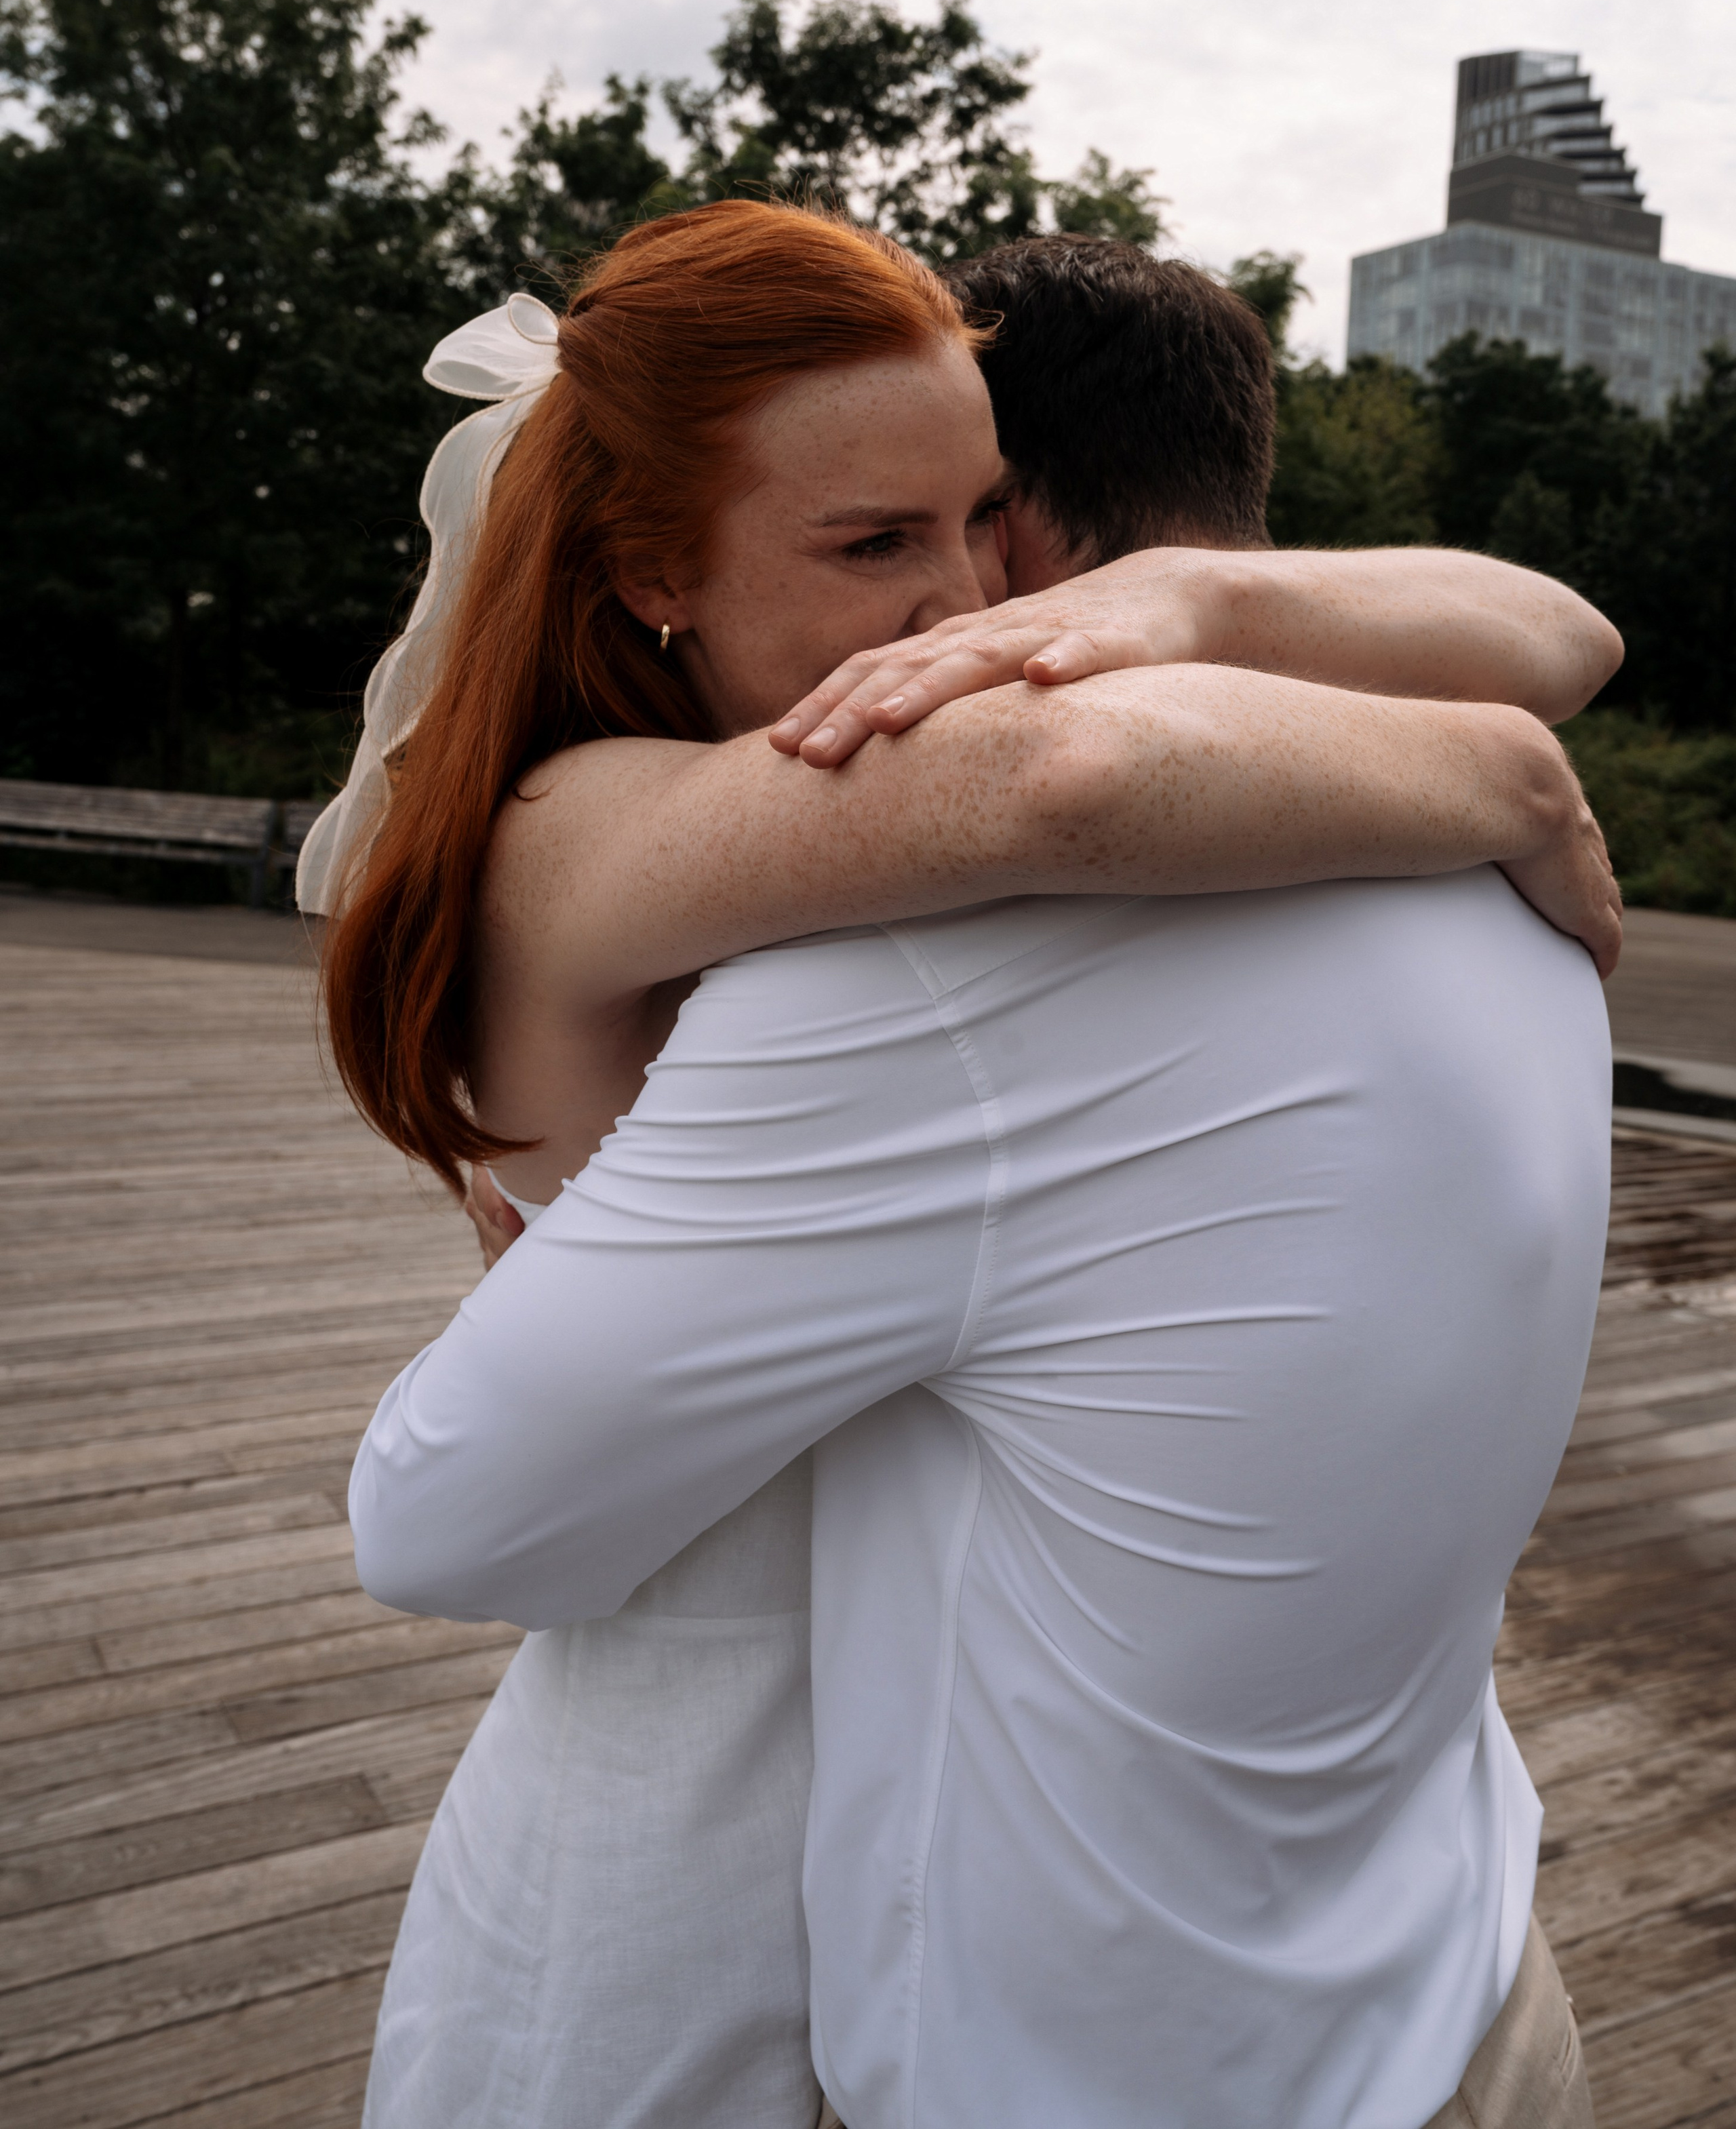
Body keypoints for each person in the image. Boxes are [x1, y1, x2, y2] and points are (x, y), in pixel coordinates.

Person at [316, 202, 1617, 2129]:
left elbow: (1553, 635)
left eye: (974, 522)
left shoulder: (911, 905)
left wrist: (1236, 636)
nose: (959, 612)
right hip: (1421, 1963)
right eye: (876, 541)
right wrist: (1496, 763)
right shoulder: (623, 826)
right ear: (656, 569)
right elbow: (1062, 775)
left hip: (1006, 1942)